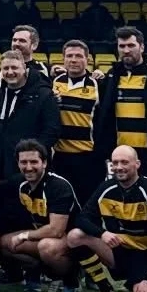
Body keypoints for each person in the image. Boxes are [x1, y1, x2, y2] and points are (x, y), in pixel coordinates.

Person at [66, 144, 147, 292]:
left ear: (137, 164)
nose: (119, 167)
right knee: (75, 236)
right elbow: (82, 218)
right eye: (115, 163)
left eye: (124, 162)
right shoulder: (106, 188)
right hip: (120, 251)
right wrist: (103, 233)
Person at [0, 139, 78, 292]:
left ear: (45, 162)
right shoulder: (21, 183)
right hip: (46, 237)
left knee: (46, 247)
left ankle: (72, 283)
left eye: (34, 161)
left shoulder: (58, 186)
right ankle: (49, 275)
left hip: (73, 241)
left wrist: (25, 236)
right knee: (4, 242)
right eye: (23, 162)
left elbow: (56, 230)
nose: (28, 167)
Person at [96, 27, 147, 180]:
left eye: (131, 45)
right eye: (122, 46)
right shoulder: (111, 76)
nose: (126, 50)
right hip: (121, 156)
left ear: (142, 47)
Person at [0, 50, 59, 184]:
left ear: (24, 68)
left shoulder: (44, 95)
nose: (10, 72)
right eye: (5, 68)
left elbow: (51, 131)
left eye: (14, 67)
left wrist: (32, 157)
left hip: (28, 167)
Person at [49, 38, 102, 210]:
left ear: (87, 60)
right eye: (69, 56)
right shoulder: (54, 82)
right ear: (63, 59)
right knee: (62, 205)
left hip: (87, 157)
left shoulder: (98, 84)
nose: (73, 60)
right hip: (60, 157)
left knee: (86, 206)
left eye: (79, 56)